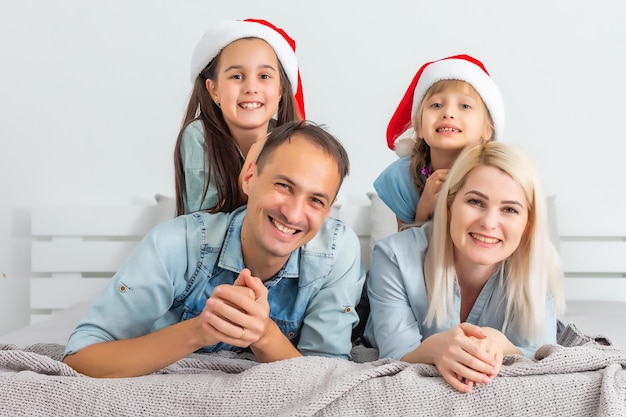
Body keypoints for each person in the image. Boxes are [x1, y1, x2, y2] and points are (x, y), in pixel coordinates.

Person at [63, 121, 364, 378]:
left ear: (328, 211)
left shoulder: (337, 252)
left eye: (316, 200)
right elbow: (81, 357)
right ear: (249, 178)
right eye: (284, 186)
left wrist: (265, 335)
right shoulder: (175, 244)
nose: (295, 214)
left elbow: (326, 377)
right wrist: (200, 330)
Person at [364, 141, 565, 393]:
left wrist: (501, 344)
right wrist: (436, 349)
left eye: (510, 209)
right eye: (476, 202)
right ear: (450, 204)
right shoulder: (394, 257)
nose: (489, 223)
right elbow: (394, 354)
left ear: (528, 222)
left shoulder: (539, 265)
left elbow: (541, 354)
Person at [174, 18, 305, 215]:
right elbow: (203, 225)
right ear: (214, 89)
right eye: (236, 76)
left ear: (280, 90)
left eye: (264, 76)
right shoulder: (199, 136)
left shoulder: (291, 141)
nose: (251, 88)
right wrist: (252, 167)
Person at [374, 54, 505, 230]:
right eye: (436, 105)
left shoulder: (500, 177)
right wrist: (423, 212)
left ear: (488, 129)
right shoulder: (402, 180)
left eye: (465, 106)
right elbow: (403, 252)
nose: (448, 113)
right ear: (419, 125)